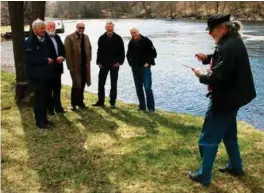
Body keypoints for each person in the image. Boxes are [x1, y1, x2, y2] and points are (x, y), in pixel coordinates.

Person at [189, 14, 256, 186]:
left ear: (222, 28)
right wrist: (208, 58)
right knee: (229, 134)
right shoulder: (233, 40)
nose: (209, 34)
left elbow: (216, 77)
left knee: (207, 139)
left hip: (224, 100)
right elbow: (224, 61)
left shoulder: (227, 46)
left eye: (211, 31)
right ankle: (236, 166)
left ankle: (204, 175)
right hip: (235, 98)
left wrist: (200, 74)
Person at [24, 19, 54, 129]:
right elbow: (31, 59)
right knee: (39, 100)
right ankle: (39, 122)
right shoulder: (29, 42)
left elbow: (51, 52)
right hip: (36, 76)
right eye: (41, 28)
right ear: (35, 29)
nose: (44, 30)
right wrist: (46, 60)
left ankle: (45, 119)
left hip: (46, 75)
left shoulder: (45, 39)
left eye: (44, 28)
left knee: (46, 98)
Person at [93, 21, 125, 108]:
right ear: (105, 28)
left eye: (111, 27)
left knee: (113, 84)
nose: (110, 28)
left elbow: (122, 52)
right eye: (108, 27)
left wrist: (119, 62)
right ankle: (100, 101)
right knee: (101, 83)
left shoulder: (118, 38)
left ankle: (112, 102)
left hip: (114, 65)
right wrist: (98, 62)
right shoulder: (101, 38)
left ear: (113, 28)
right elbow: (99, 51)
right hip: (103, 64)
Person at [126, 28, 157, 113]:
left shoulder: (146, 40)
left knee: (147, 88)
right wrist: (131, 64)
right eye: (132, 33)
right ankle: (142, 106)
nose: (133, 34)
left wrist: (148, 62)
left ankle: (151, 108)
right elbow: (128, 54)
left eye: (135, 32)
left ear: (138, 32)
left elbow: (154, 53)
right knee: (138, 88)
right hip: (135, 69)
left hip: (145, 69)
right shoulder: (131, 42)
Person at [65, 21, 92, 110]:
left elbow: (90, 48)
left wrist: (89, 59)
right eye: (79, 27)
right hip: (75, 66)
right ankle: (73, 103)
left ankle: (80, 102)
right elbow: (67, 54)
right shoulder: (69, 38)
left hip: (85, 65)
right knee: (76, 84)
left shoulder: (86, 37)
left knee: (83, 83)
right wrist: (70, 67)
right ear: (76, 27)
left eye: (83, 28)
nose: (81, 29)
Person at [45, 20, 66, 115]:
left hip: (58, 67)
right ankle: (50, 109)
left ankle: (58, 108)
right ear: (45, 28)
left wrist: (62, 56)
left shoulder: (57, 37)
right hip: (49, 68)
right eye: (50, 26)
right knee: (49, 89)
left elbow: (63, 50)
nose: (52, 28)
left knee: (57, 88)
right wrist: (55, 58)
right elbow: (45, 54)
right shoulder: (43, 38)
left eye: (53, 26)